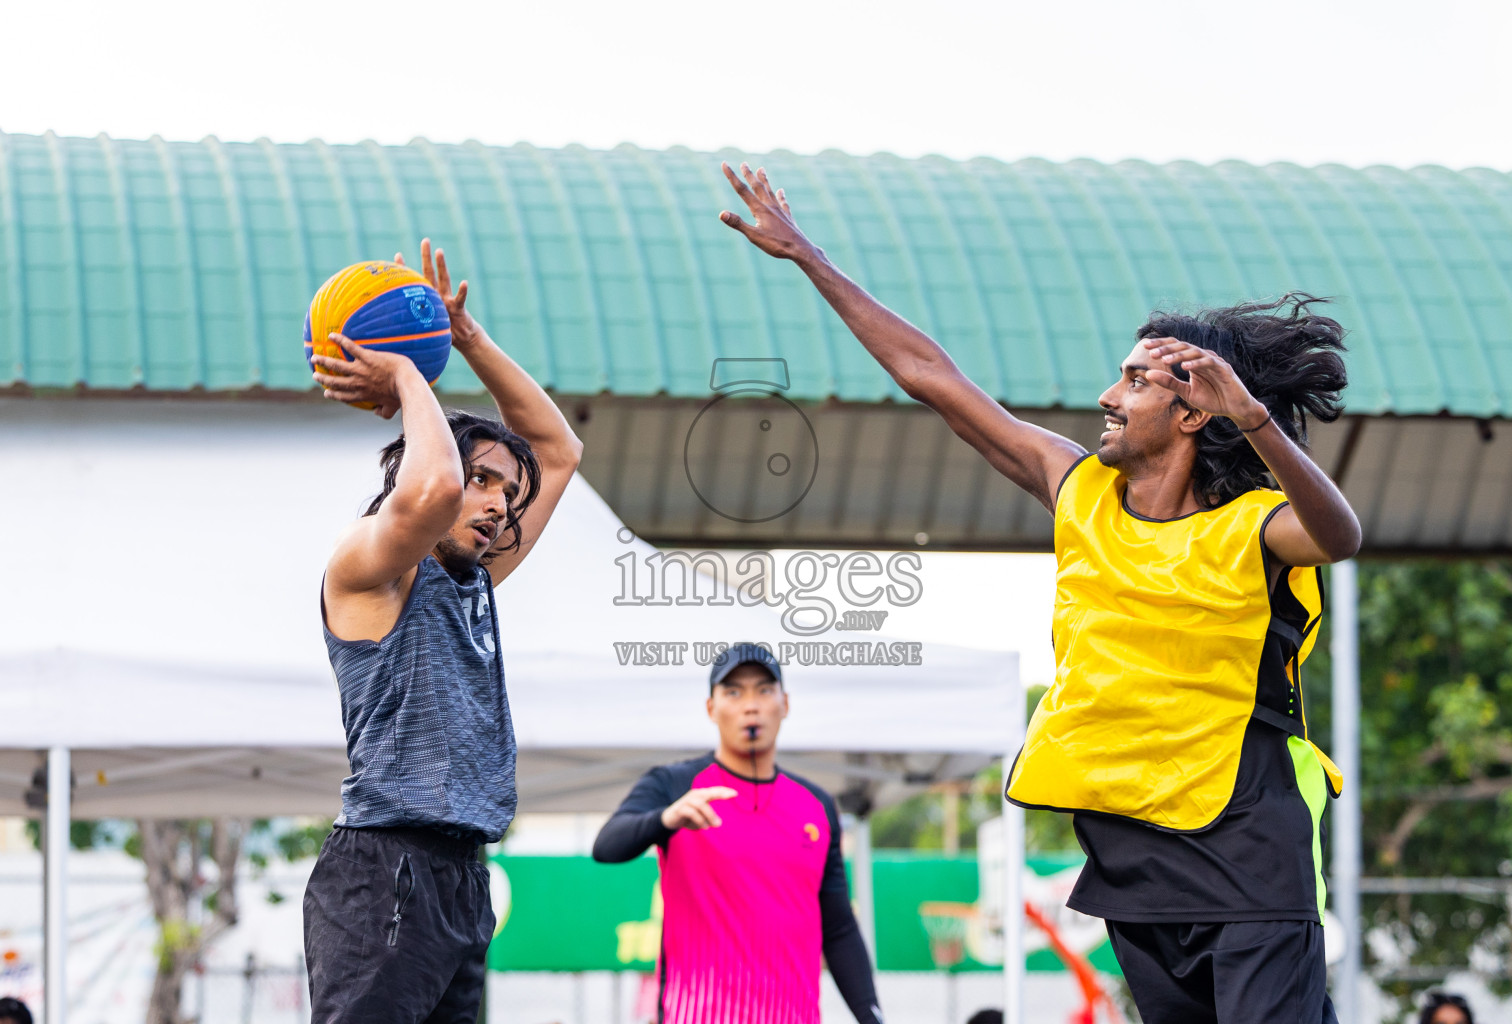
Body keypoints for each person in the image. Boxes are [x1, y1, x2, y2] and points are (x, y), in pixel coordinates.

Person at [720, 163, 1359, 1024]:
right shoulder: (1079, 492)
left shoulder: (1255, 525)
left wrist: (1255, 415)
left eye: (1134, 381)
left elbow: (1340, 536)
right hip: (1133, 850)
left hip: (1248, 839)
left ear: (1193, 412)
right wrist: (808, 256)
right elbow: (930, 375)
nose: (1107, 394)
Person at [303, 240, 583, 1023]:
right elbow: (430, 487)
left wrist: (469, 340)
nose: (496, 504)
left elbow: (560, 452)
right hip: (384, 868)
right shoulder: (371, 566)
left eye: (504, 490)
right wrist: (402, 372)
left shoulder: (473, 577)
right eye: (482, 481)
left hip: (463, 876)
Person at [592, 642, 883, 1024]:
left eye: (764, 690)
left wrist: (871, 1015)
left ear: (786, 704)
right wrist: (665, 818)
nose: (751, 705)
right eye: (733, 691)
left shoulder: (817, 805)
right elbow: (607, 845)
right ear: (711, 708)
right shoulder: (676, 784)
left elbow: (839, 926)